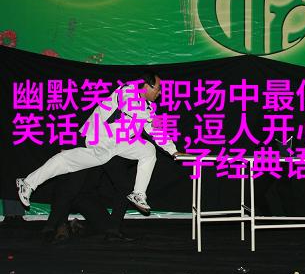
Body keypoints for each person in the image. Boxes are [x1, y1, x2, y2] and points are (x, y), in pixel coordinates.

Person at [16, 71, 184, 213]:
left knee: (148, 150)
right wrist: (151, 119)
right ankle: (28, 183)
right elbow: (129, 107)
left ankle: (138, 193)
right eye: (158, 88)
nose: (160, 93)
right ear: (146, 86)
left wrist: (173, 151)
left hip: (120, 142)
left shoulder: (149, 108)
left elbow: (155, 130)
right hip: (99, 137)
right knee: (68, 162)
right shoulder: (127, 90)